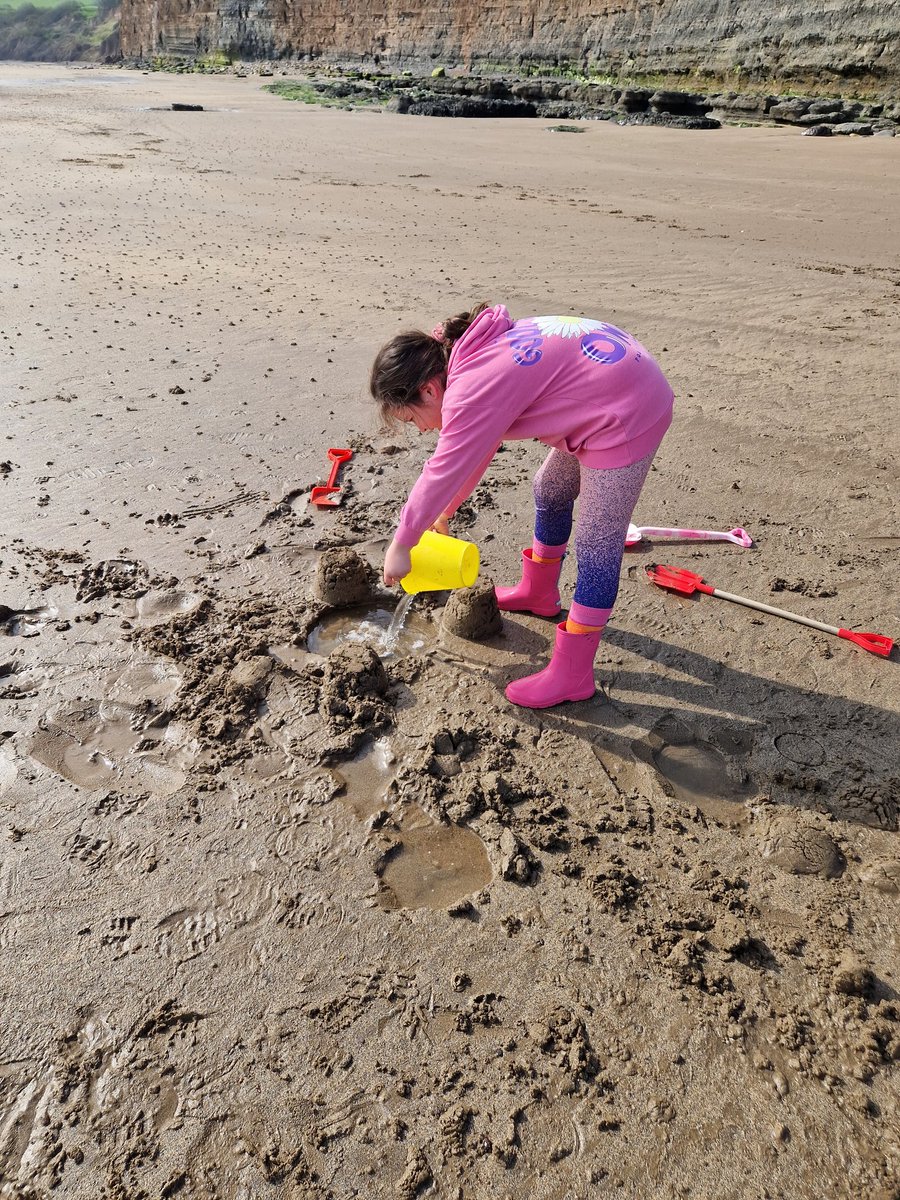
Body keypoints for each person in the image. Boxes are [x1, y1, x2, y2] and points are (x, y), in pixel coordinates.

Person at [369, 303, 674, 709]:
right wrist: (444, 511)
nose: (422, 429)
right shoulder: (464, 357)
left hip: (627, 412)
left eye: (412, 420)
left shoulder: (470, 386)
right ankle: (539, 591)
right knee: (549, 489)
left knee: (597, 542)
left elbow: (442, 469)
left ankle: (573, 674)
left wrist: (402, 543)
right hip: (606, 389)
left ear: (428, 390)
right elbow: (477, 448)